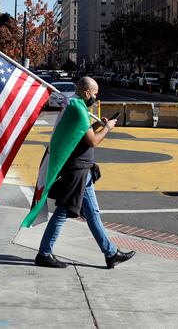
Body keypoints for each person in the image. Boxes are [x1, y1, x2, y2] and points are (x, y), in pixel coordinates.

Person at [35, 76, 136, 269]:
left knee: (93, 213)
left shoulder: (74, 104)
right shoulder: (79, 109)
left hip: (84, 170)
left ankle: (111, 253)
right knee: (64, 211)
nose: (96, 98)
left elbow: (82, 133)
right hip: (76, 171)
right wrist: (107, 127)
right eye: (95, 94)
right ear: (87, 92)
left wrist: (98, 126)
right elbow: (93, 141)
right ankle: (44, 253)